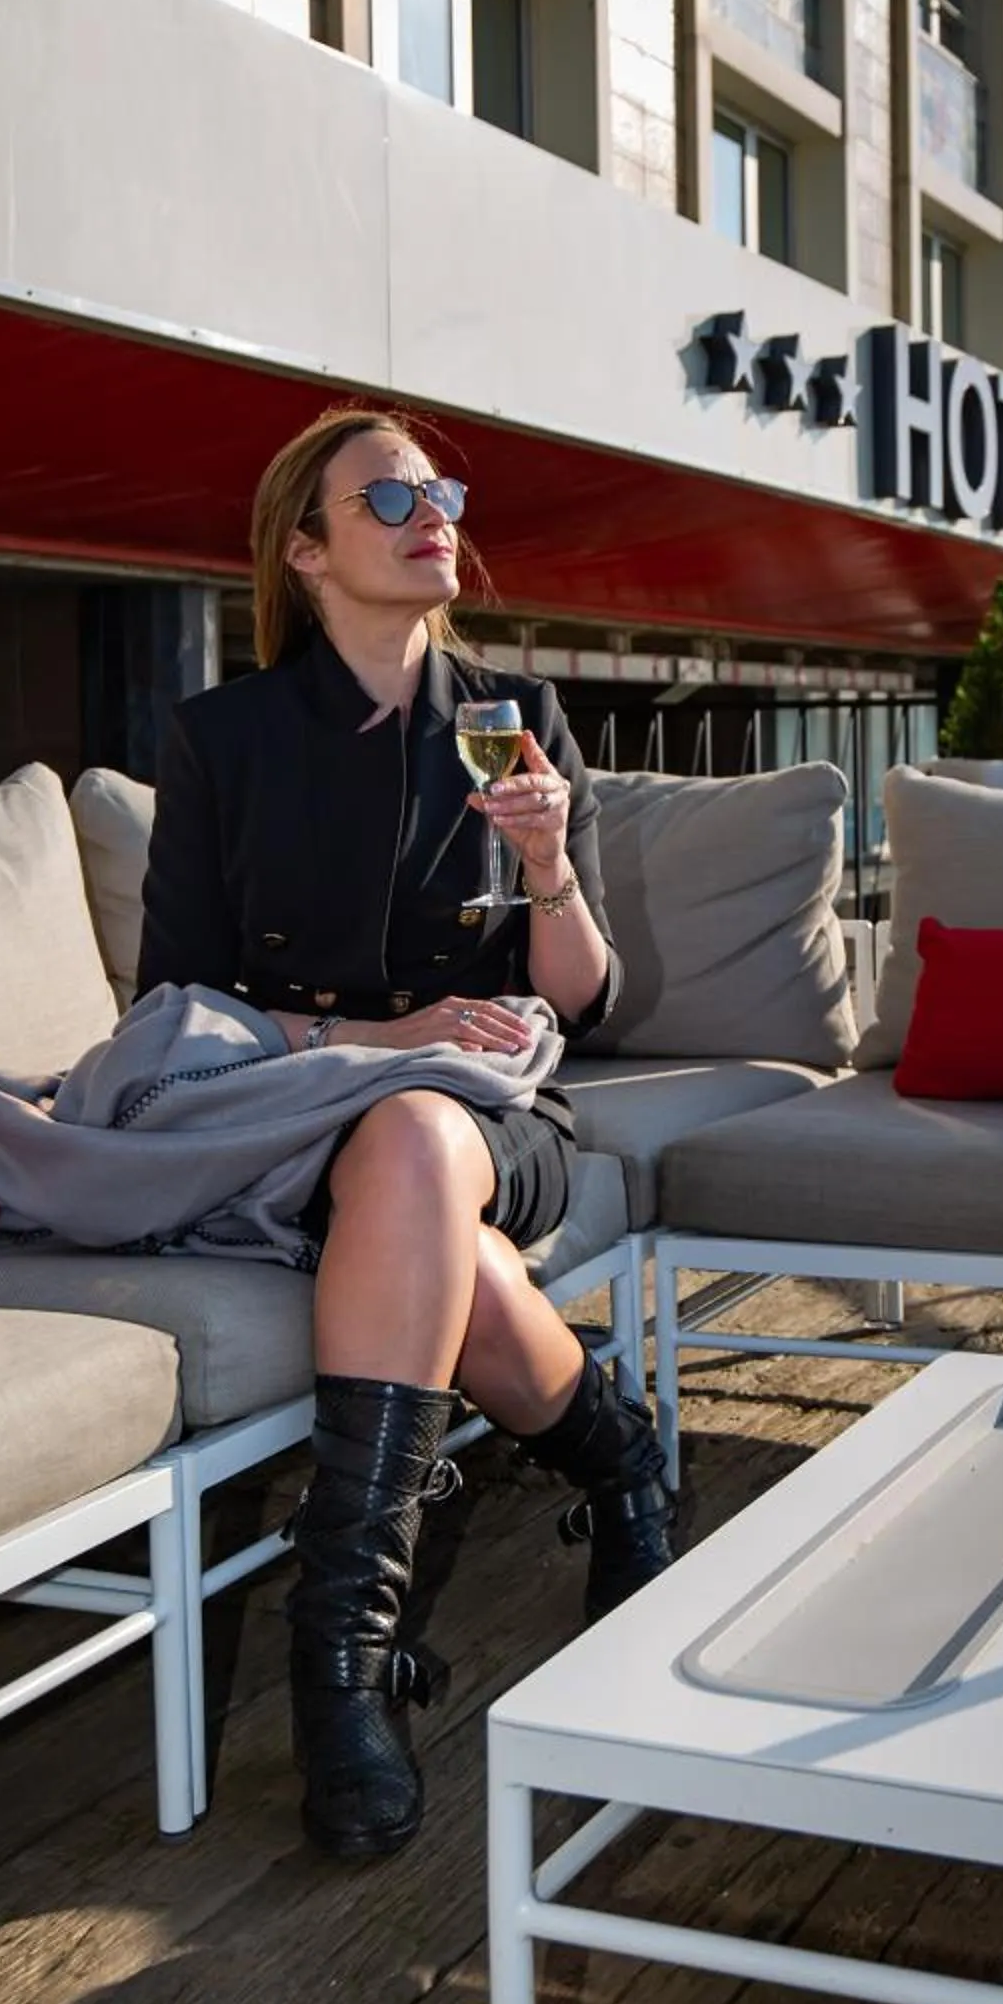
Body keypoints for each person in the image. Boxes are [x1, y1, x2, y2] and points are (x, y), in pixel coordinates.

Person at [137, 401, 675, 1863]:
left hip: (496, 1116)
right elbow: (173, 1000)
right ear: (306, 550)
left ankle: (338, 1666)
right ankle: (619, 1459)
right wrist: (379, 1041)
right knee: (416, 1192)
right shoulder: (222, 738)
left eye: (439, 489)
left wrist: (554, 862)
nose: (432, 510)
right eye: (386, 499)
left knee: (420, 1148)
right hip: (298, 1116)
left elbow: (590, 1001)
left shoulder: (518, 719)